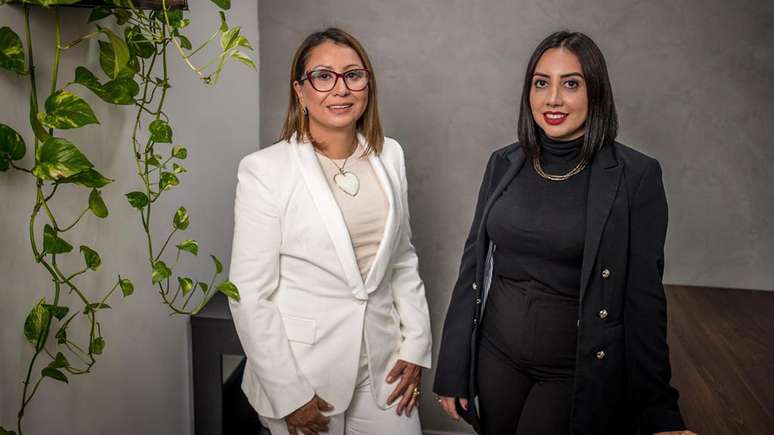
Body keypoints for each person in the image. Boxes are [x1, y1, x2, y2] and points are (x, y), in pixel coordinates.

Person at [433, 31, 697, 435]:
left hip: (571, 370)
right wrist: (453, 364)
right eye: (541, 83)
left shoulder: (635, 176)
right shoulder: (504, 162)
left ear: (596, 92)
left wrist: (659, 411)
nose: (552, 99)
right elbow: (472, 264)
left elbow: (644, 299)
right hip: (495, 357)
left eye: (571, 84)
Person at [227, 27, 431, 435]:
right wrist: (289, 394)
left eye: (353, 75)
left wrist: (416, 345)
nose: (341, 88)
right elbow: (249, 294)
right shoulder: (265, 170)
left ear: (367, 85)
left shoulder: (390, 155)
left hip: (383, 366)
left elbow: (402, 257)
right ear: (300, 91)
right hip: (305, 375)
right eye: (323, 76)